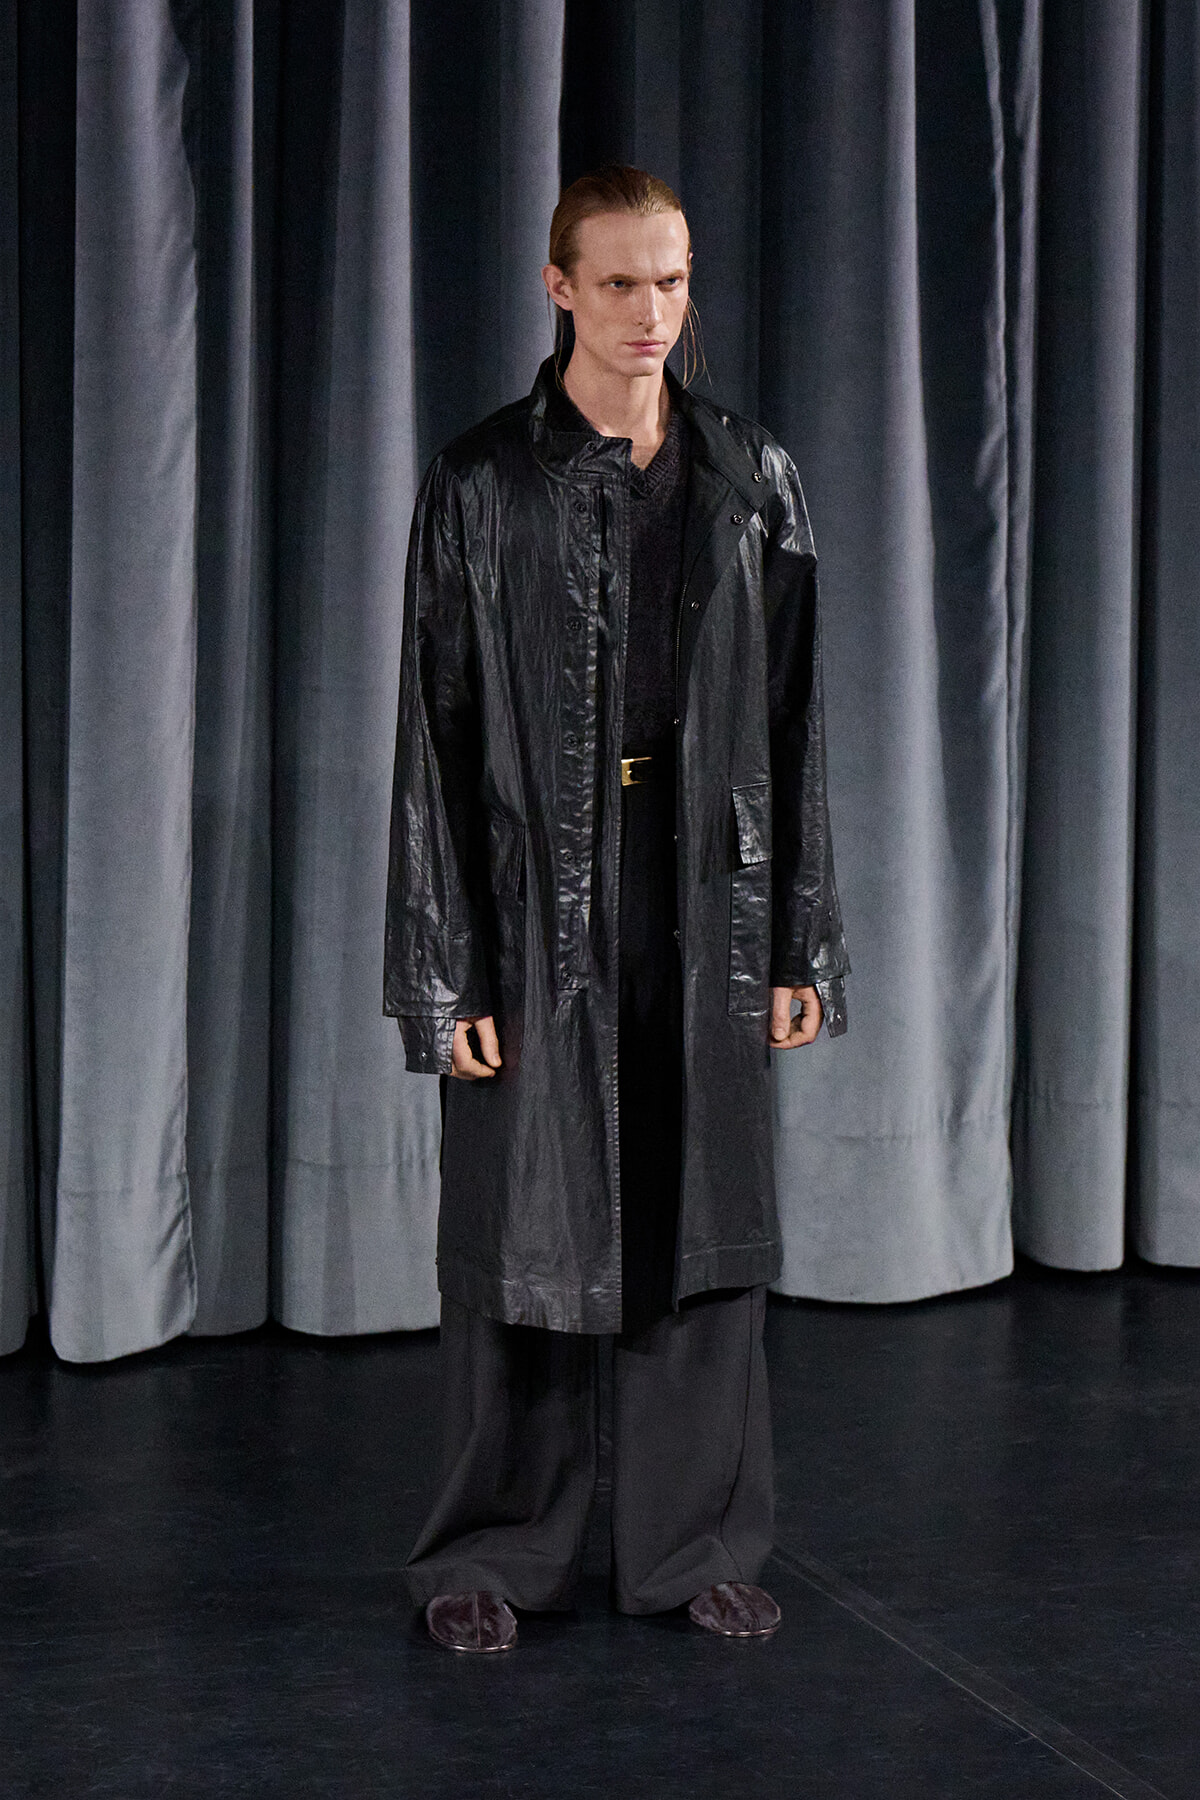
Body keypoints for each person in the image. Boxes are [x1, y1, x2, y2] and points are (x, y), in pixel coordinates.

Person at [384, 164, 849, 1654]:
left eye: (677, 279)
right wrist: (444, 972)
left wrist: (800, 941)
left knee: (698, 1228)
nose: (659, 312)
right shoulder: (482, 484)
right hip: (536, 910)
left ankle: (695, 1545)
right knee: (524, 1228)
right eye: (627, 281)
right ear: (560, 285)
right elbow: (434, 736)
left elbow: (793, 725)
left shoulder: (746, 474)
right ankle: (491, 1555)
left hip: (703, 898)